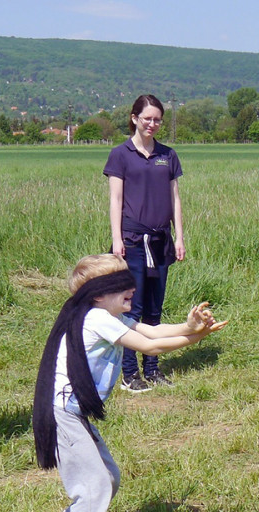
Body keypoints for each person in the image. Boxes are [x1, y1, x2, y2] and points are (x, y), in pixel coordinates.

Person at [33, 254, 226, 512]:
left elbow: (152, 331)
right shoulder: (96, 318)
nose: (130, 288)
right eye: (119, 285)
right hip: (63, 413)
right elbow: (152, 347)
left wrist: (190, 328)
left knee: (109, 476)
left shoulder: (103, 315)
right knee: (95, 486)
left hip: (70, 412)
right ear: (97, 293)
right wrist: (197, 337)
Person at [104, 94, 184, 393]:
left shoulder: (168, 155)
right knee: (130, 307)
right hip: (132, 241)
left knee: (154, 307)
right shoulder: (120, 154)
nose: (152, 124)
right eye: (147, 118)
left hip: (161, 240)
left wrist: (179, 237)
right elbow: (115, 199)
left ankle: (152, 368)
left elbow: (175, 199)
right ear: (134, 118)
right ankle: (128, 372)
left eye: (157, 119)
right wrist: (117, 239)